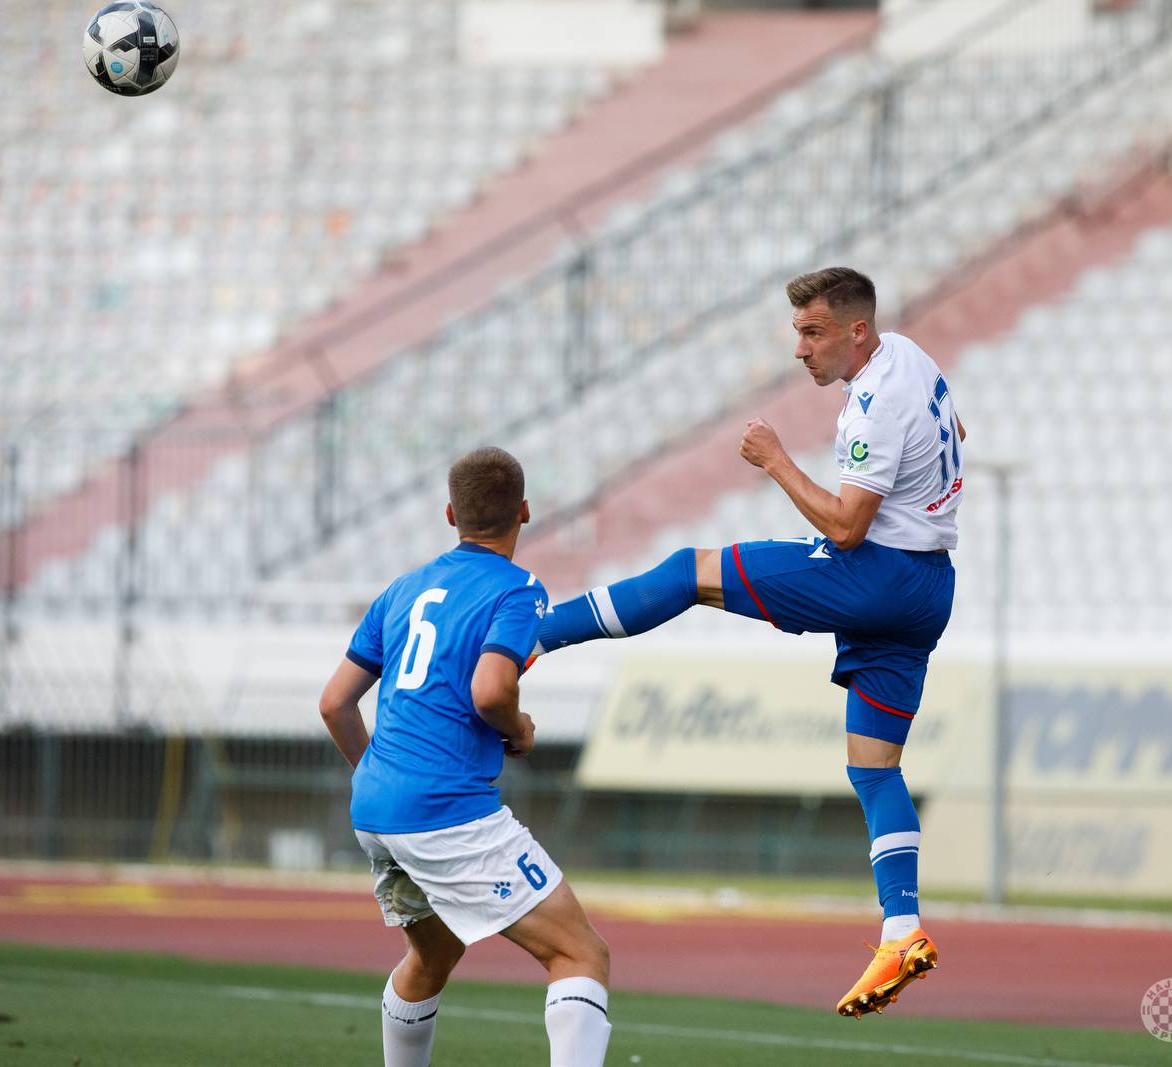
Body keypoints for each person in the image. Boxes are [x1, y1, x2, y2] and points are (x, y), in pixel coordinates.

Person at [532, 267, 964, 1018]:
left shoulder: (872, 403)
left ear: (857, 331)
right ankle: (902, 928)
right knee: (874, 768)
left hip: (876, 574)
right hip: (929, 590)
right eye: (798, 330)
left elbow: (844, 526)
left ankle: (529, 635)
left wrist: (773, 460)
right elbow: (956, 430)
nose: (799, 349)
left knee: (688, 572)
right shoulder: (910, 356)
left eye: (813, 331)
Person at [318, 446, 611, 1067]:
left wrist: (379, 776)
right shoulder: (518, 588)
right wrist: (518, 726)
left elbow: (334, 704)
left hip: (375, 809)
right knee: (579, 955)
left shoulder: (403, 588)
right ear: (525, 512)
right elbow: (490, 690)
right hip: (445, 810)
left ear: (450, 513)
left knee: (434, 954)